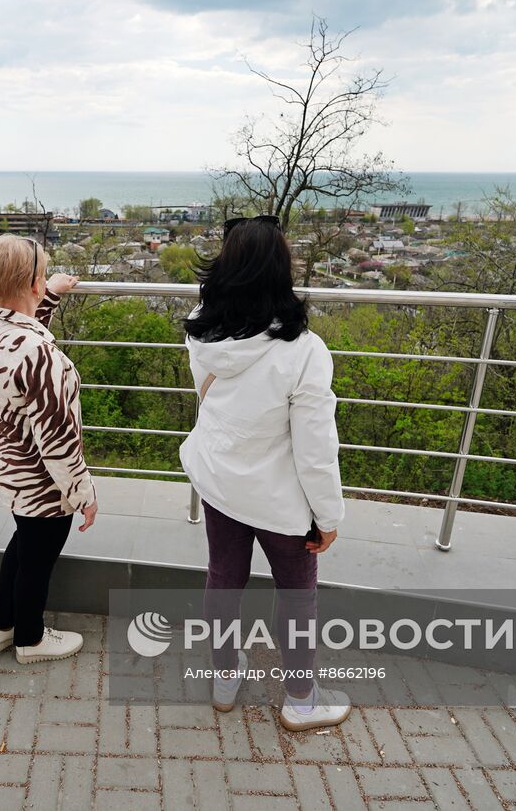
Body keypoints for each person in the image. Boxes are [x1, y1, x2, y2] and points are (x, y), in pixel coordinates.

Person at [179, 214, 348, 731]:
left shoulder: (201, 331)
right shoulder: (304, 352)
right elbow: (315, 450)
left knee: (223, 580)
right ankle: (299, 698)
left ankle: (225, 678)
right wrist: (328, 515)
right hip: (280, 501)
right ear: (282, 270)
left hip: (219, 482)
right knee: (297, 595)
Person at [0, 234, 98, 663]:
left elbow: (22, 332)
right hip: (43, 481)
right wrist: (83, 495)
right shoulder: (42, 356)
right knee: (38, 558)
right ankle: (31, 639)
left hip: (10, 466)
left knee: (24, 545)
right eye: (42, 276)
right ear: (32, 285)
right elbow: (58, 440)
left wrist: (50, 298)